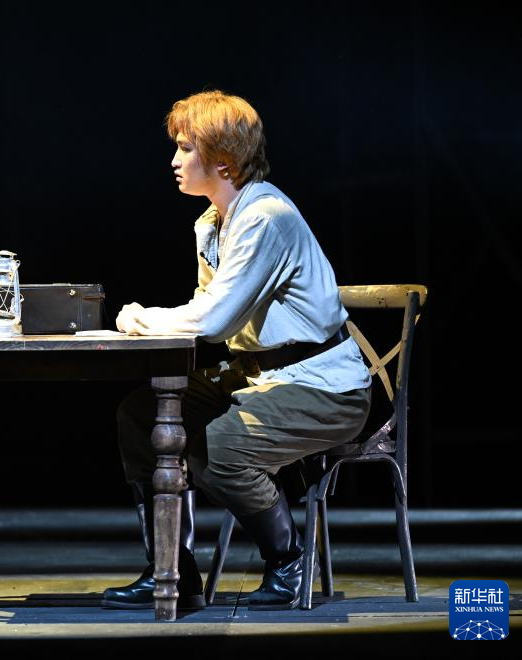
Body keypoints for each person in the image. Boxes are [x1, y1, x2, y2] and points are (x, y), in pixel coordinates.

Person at [103, 91, 372, 611]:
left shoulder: (265, 217)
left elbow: (214, 320)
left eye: (186, 149)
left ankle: (289, 561)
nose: (174, 160)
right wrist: (154, 321)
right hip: (258, 376)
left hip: (323, 388)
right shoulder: (212, 222)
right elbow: (206, 306)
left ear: (223, 161)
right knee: (141, 415)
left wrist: (139, 317)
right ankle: (171, 570)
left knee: (219, 447)